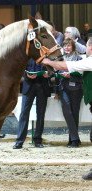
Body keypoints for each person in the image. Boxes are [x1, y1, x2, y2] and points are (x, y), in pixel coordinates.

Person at [42, 37, 92, 180]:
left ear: (91, 48)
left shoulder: (90, 60)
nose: (85, 50)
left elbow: (66, 66)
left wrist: (48, 62)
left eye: (86, 47)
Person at [13, 59, 51, 149]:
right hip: (28, 86)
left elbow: (52, 70)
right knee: (24, 114)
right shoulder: (28, 56)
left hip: (42, 86)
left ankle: (37, 140)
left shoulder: (46, 57)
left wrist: (48, 74)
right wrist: (27, 75)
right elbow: (20, 69)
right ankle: (19, 141)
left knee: (41, 115)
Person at [55, 38, 83, 147]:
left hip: (77, 88)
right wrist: (56, 92)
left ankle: (73, 140)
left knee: (74, 113)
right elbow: (57, 77)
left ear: (73, 47)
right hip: (63, 88)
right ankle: (75, 138)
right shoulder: (60, 59)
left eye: (69, 45)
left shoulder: (79, 58)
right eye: (65, 45)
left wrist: (70, 75)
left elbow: (82, 77)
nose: (66, 47)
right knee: (67, 112)